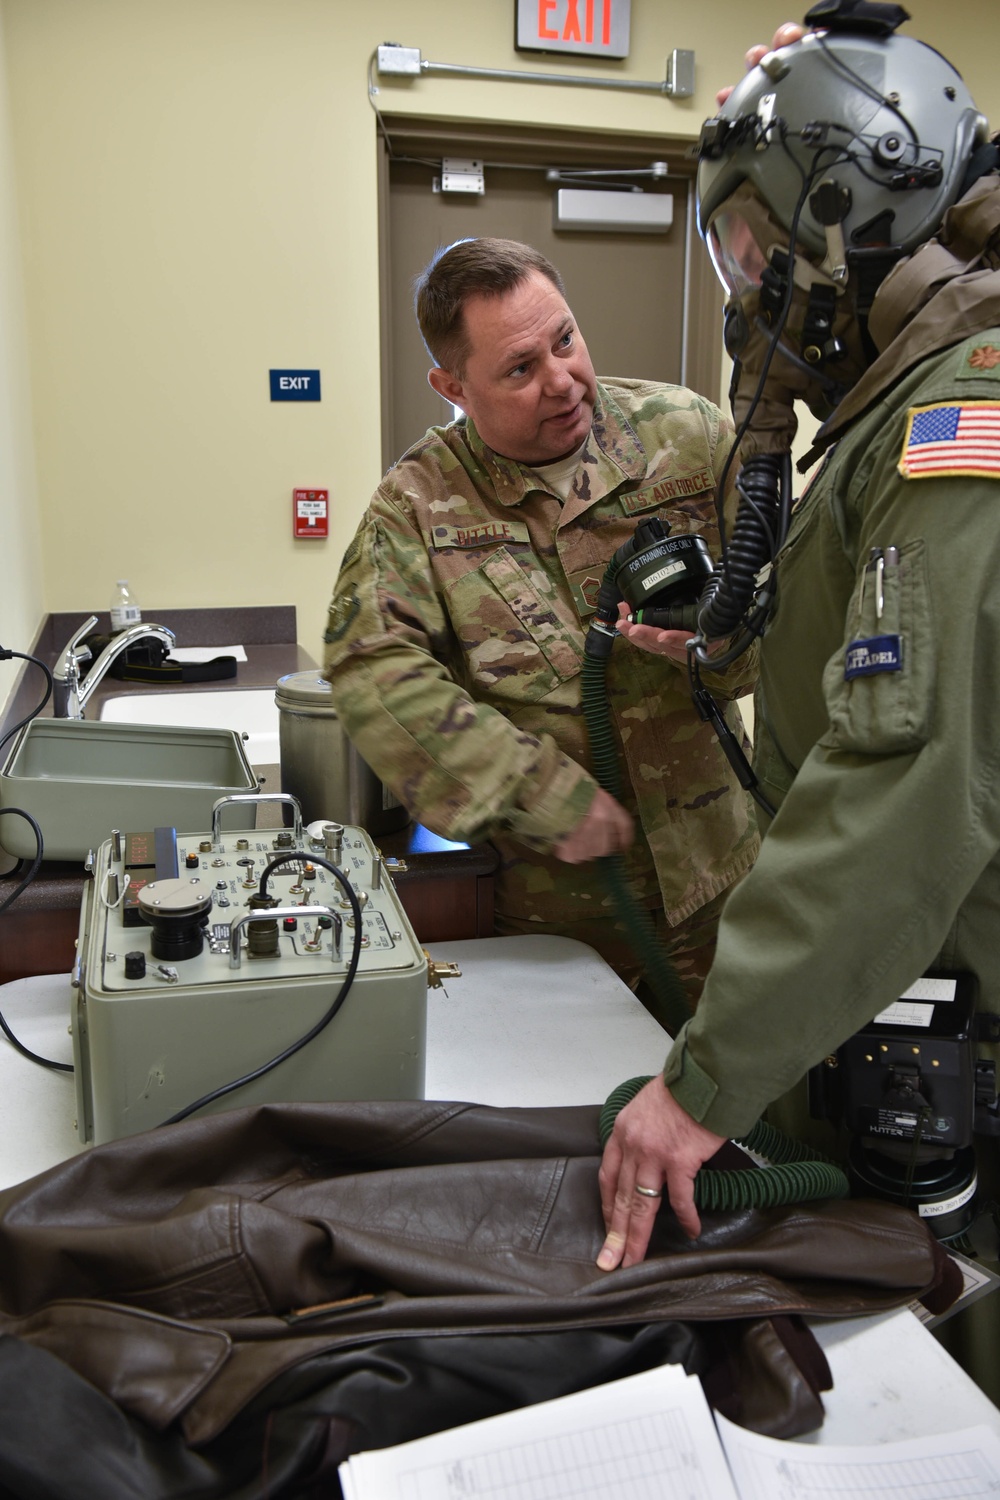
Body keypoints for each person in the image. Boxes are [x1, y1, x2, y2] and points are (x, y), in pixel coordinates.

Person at [598, 0, 1000, 1307]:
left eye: (753, 242)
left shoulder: (961, 416)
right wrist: (728, 642)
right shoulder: (904, 397)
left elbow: (903, 782)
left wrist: (701, 1085)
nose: (749, 284)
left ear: (846, 209)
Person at [322, 237, 759, 1009]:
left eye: (566, 340)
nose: (562, 381)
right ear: (451, 385)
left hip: (727, 888)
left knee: (744, 1120)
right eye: (520, 369)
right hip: (559, 930)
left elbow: (786, 599)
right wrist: (536, 792)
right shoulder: (417, 505)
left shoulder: (687, 436)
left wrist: (727, 646)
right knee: (581, 1119)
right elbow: (374, 669)